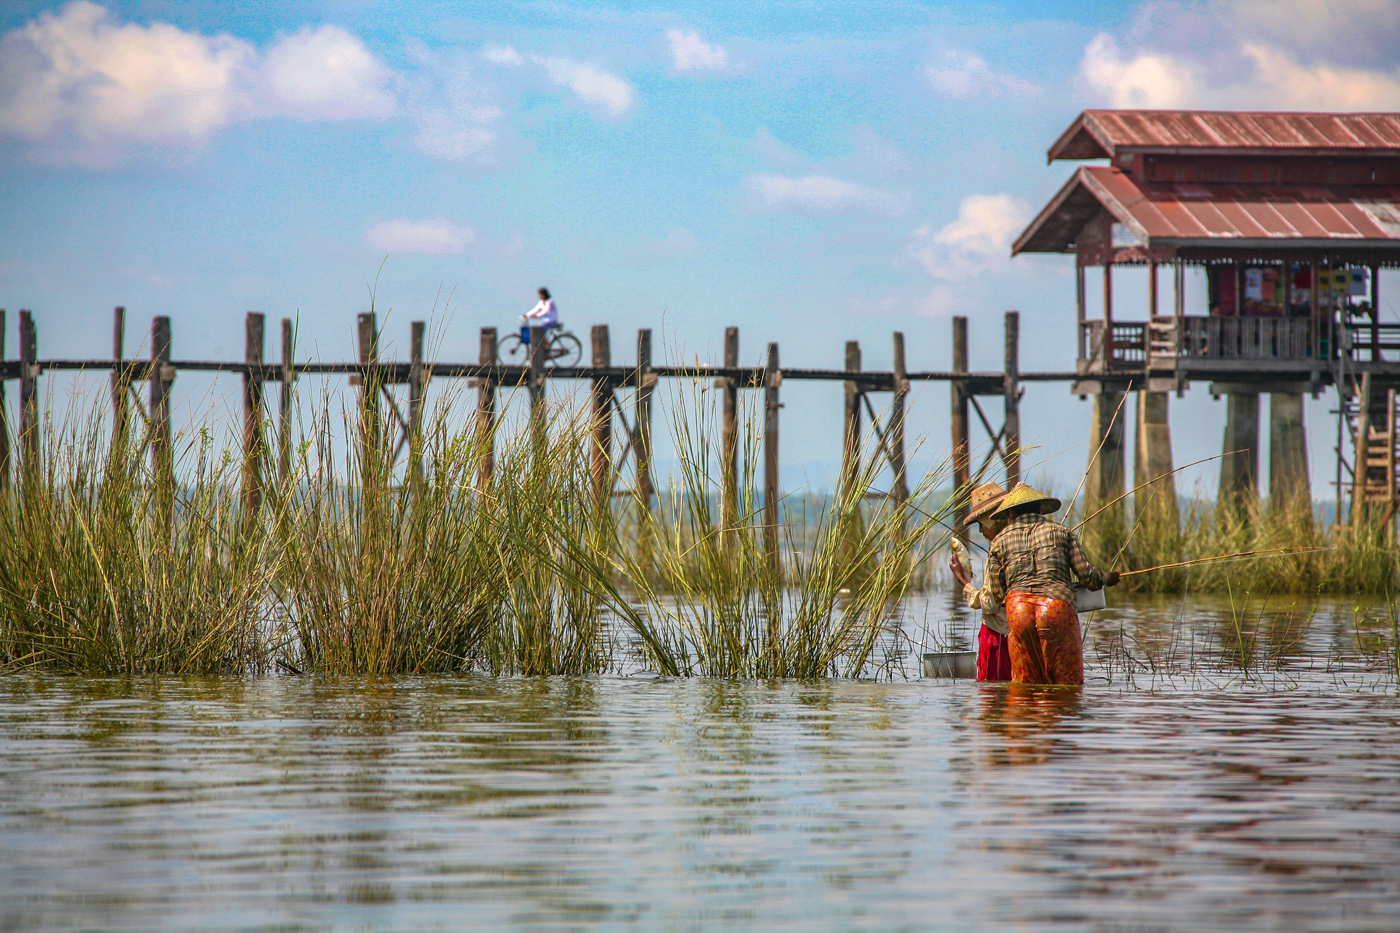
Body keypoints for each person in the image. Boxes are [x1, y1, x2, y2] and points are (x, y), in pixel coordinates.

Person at [981, 482, 1120, 686]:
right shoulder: (1062, 533)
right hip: (1056, 607)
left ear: (1010, 515)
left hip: (1018, 611)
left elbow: (998, 593)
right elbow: (1088, 577)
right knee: (1067, 686)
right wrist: (1107, 578)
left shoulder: (999, 541)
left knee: (1025, 687)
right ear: (1040, 509)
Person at [948, 481, 1013, 682]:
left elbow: (990, 603)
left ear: (992, 520)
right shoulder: (1021, 543)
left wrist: (962, 580)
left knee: (992, 697)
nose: (980, 531)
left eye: (981, 524)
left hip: (999, 637)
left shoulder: (997, 549)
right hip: (1023, 636)